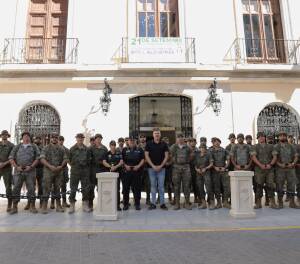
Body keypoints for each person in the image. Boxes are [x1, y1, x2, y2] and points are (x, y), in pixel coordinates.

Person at [9, 132, 40, 214]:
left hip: (30, 171)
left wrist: (31, 167)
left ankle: (32, 206)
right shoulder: (17, 146)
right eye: (24, 136)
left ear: (30, 138)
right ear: (22, 138)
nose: (26, 138)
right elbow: (11, 158)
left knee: (31, 188)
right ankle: (14, 207)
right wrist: (16, 167)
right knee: (16, 188)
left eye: (28, 136)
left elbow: (38, 158)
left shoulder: (34, 146)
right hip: (18, 171)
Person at [40, 133, 68, 214]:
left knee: (57, 188)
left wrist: (61, 166)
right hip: (48, 171)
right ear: (50, 139)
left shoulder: (61, 149)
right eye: (53, 137)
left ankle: (58, 205)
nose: (54, 139)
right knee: (46, 188)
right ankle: (44, 206)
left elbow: (65, 159)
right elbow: (42, 159)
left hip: (58, 171)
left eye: (56, 137)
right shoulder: (46, 148)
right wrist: (50, 166)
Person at [251, 132, 278, 209]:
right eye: (259, 137)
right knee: (259, 186)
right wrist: (260, 165)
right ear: (257, 138)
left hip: (269, 169)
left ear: (265, 138)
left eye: (262, 136)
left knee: (270, 185)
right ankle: (258, 203)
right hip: (259, 170)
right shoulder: (255, 147)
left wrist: (270, 165)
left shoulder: (271, 146)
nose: (261, 138)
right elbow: (253, 157)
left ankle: (272, 202)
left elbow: (275, 156)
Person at [145, 128, 169, 210]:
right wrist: (153, 166)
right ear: (153, 135)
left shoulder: (164, 144)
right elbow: (146, 156)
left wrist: (161, 166)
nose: (157, 135)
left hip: (162, 169)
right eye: (155, 133)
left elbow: (166, 156)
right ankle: (153, 203)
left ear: (160, 134)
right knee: (153, 186)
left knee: (161, 187)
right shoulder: (148, 144)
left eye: (158, 133)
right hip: (151, 169)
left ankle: (162, 203)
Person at [274, 131, 299, 209]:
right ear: (278, 137)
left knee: (291, 185)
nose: (282, 137)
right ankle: (280, 202)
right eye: (280, 136)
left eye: (284, 136)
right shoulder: (276, 146)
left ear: (286, 137)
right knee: (280, 185)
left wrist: (293, 163)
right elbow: (275, 157)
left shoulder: (291, 146)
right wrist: (280, 164)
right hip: (280, 169)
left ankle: (292, 202)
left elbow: (296, 156)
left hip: (290, 168)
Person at [68, 133, 92, 214]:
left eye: (81, 138)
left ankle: (85, 204)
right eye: (78, 138)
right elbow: (68, 159)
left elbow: (89, 159)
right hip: (75, 172)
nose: (80, 139)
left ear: (83, 139)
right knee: (73, 189)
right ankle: (72, 205)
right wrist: (74, 166)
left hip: (85, 172)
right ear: (76, 139)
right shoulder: (72, 149)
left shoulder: (87, 149)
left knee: (85, 188)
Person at [170, 133, 193, 210]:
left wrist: (187, 161)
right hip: (176, 168)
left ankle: (186, 203)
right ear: (176, 139)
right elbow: (169, 155)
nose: (180, 139)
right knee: (176, 187)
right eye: (178, 137)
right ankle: (177, 203)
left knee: (186, 186)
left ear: (184, 138)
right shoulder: (174, 147)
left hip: (186, 168)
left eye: (181, 137)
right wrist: (174, 160)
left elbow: (192, 154)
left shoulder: (187, 147)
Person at [122, 136, 144, 210]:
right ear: (128, 141)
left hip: (136, 171)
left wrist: (138, 166)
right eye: (130, 140)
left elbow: (143, 160)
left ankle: (137, 204)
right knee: (126, 188)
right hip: (127, 171)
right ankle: (125, 204)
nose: (132, 142)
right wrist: (125, 166)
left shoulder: (140, 149)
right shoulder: (124, 150)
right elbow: (122, 160)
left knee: (137, 188)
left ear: (135, 141)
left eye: (133, 140)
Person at [210, 137, 231, 209]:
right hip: (214, 171)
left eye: (217, 141)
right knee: (216, 187)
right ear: (212, 143)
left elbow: (228, 160)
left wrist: (225, 167)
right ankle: (218, 202)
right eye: (214, 141)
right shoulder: (210, 151)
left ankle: (225, 202)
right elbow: (209, 161)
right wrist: (214, 167)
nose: (216, 143)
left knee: (226, 187)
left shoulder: (224, 150)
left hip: (223, 171)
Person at [103, 140, 123, 211]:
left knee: (117, 189)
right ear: (110, 146)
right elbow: (104, 162)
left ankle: (117, 205)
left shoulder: (119, 153)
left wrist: (116, 167)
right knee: (109, 190)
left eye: (114, 145)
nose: (113, 146)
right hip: (109, 174)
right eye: (112, 145)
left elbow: (121, 162)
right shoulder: (107, 153)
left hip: (117, 173)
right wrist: (110, 167)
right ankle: (109, 204)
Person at [89, 134, 108, 210]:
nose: (99, 140)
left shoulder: (104, 148)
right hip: (93, 170)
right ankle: (90, 203)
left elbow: (106, 160)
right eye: (97, 138)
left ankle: (101, 203)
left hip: (102, 170)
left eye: (100, 138)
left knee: (101, 187)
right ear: (95, 139)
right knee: (91, 187)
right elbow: (88, 159)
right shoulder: (91, 148)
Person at [194, 143, 214, 209]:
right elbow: (195, 165)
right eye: (201, 148)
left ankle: (211, 203)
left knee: (208, 187)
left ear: (206, 148)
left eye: (203, 148)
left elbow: (211, 163)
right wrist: (197, 169)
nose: (202, 149)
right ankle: (203, 203)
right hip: (199, 173)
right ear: (199, 148)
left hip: (206, 172)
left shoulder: (208, 154)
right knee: (200, 188)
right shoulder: (197, 155)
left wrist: (206, 168)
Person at [0, 130, 15, 212]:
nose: (4, 136)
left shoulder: (11, 145)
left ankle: (9, 204)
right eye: (3, 135)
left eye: (5, 135)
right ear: (1, 136)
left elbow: (12, 156)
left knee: (8, 187)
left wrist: (4, 163)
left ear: (7, 136)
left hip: (7, 168)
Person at [58, 136, 70, 208]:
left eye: (62, 140)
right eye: (60, 140)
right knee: (55, 186)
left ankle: (64, 202)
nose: (61, 141)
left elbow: (68, 160)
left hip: (64, 169)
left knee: (64, 186)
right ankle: (54, 202)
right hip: (56, 169)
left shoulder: (66, 150)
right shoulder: (54, 148)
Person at [139, 134, 151, 205]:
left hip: (148, 168)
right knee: (138, 184)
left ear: (145, 138)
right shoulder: (137, 147)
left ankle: (148, 199)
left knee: (148, 184)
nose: (143, 139)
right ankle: (138, 199)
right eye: (141, 137)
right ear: (139, 139)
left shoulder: (149, 146)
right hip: (139, 168)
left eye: (144, 137)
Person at [162, 137, 174, 204]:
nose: (166, 142)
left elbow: (172, 157)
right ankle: (159, 198)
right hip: (162, 167)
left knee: (169, 183)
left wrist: (169, 163)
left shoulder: (171, 149)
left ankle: (170, 198)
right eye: (164, 141)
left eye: (167, 140)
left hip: (169, 168)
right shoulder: (160, 148)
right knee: (161, 184)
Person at [189, 138, 200, 203]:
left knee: (196, 185)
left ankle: (196, 198)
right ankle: (187, 200)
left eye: (194, 142)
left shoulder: (198, 150)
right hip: (188, 169)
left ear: (196, 143)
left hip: (196, 169)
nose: (193, 143)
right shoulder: (187, 150)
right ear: (189, 143)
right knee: (187, 185)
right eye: (191, 142)